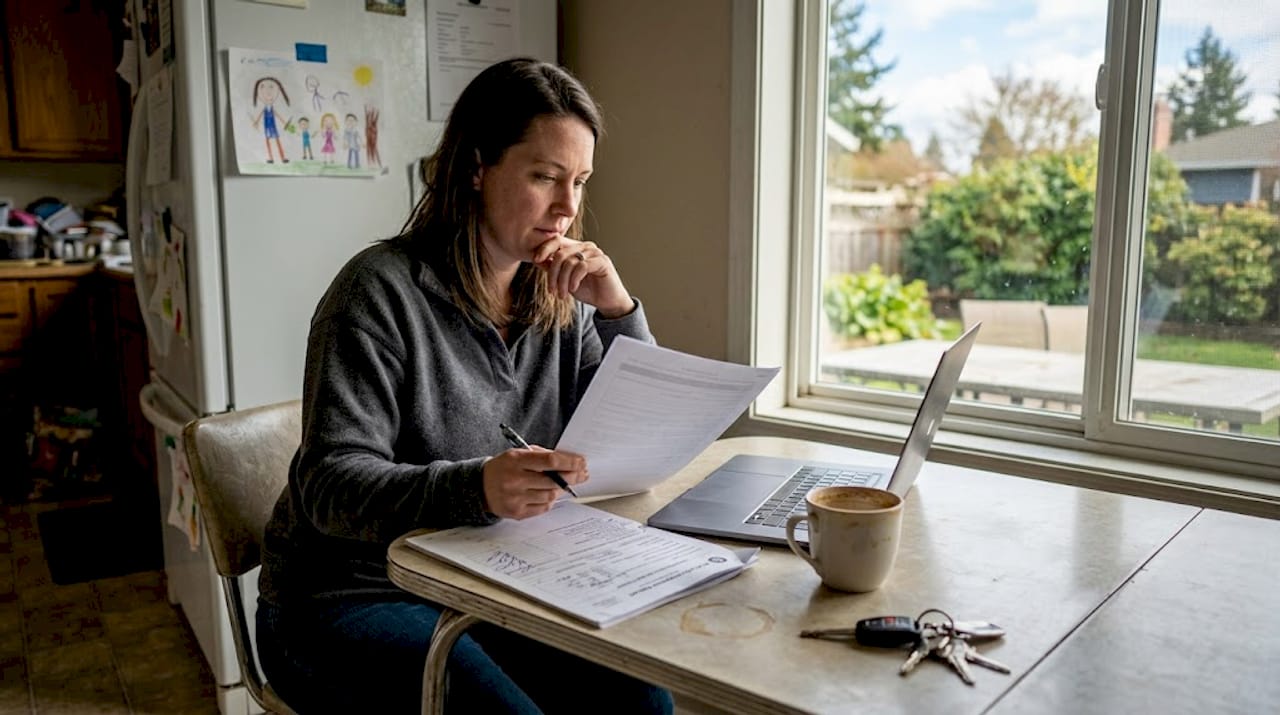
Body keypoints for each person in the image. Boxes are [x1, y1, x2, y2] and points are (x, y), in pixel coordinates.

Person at [255, 58, 674, 714]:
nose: (567, 208)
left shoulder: (561, 299)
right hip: (348, 594)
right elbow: (329, 488)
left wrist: (618, 309)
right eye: (545, 177)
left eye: (580, 182)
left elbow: (641, 439)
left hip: (492, 578)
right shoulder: (376, 292)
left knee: (643, 702)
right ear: (477, 168)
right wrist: (476, 485)